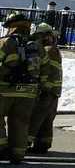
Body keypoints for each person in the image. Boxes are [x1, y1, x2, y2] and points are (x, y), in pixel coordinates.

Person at [0, 13, 41, 165]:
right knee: (20, 122)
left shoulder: (5, 42)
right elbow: (44, 69)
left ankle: (1, 149)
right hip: (28, 92)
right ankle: (17, 154)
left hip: (5, 89)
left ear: (12, 26)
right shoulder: (35, 46)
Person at [26, 24, 60, 155]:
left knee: (35, 118)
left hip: (46, 90)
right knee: (46, 119)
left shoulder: (47, 50)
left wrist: (42, 87)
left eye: (39, 37)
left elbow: (44, 70)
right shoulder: (53, 49)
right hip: (53, 91)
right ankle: (43, 144)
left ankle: (24, 143)